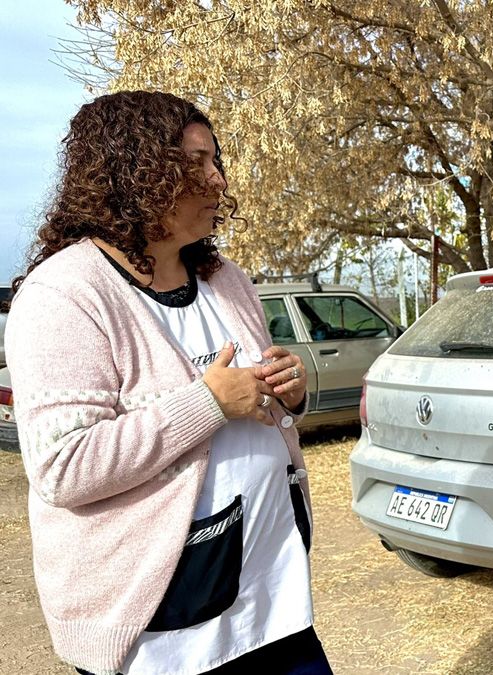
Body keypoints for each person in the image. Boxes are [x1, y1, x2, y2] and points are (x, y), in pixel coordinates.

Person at [6, 91, 331, 675]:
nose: (217, 181)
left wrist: (287, 393)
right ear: (131, 172)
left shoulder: (225, 279)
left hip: (272, 603)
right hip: (164, 633)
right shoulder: (65, 294)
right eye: (195, 164)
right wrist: (208, 402)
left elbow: (255, 402)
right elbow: (63, 466)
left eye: (216, 161)